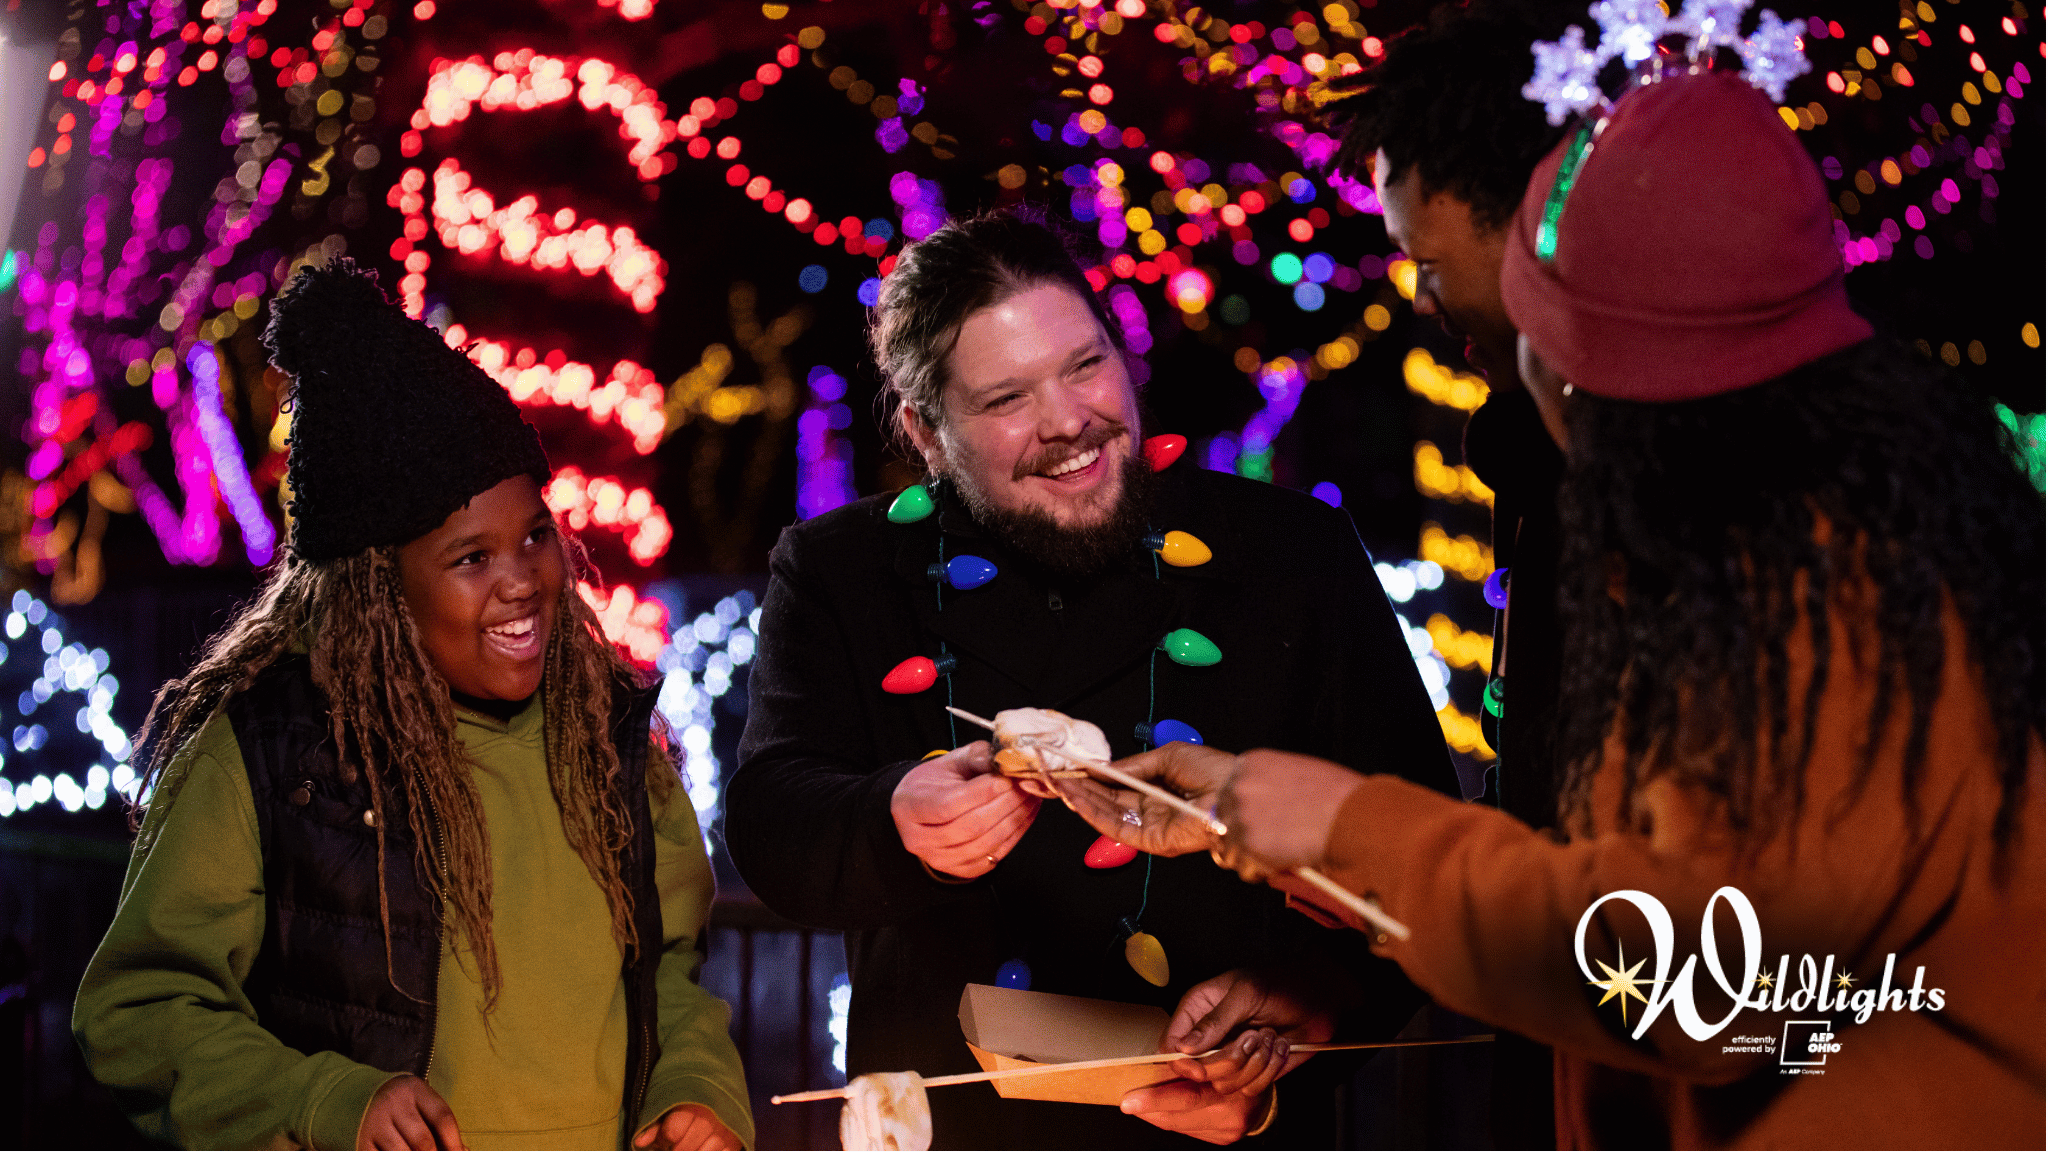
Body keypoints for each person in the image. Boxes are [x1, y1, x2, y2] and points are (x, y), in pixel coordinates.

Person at [1062, 64, 2045, 1149]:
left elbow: (1700, 992)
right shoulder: (1779, 546)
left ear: (1598, 376)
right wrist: (1301, 850)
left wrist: (1345, 827)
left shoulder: (1828, 592)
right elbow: (1765, 979)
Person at [724, 208, 1457, 1147]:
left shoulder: (1292, 552)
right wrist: (890, 817)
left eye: (1086, 363)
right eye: (1005, 400)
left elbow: (1417, 847)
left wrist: (1312, 996)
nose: (1070, 422)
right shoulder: (840, 569)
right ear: (927, 431)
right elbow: (773, 818)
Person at [73, 261, 752, 1151]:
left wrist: (695, 1087)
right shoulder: (274, 754)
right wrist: (320, 1102)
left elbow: (671, 969)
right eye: (471, 557)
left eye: (535, 534)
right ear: (377, 590)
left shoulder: (606, 733)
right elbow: (141, 1008)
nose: (522, 581)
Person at [1327, 8, 1574, 1139]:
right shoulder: (1541, 462)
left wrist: (1350, 829)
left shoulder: (1684, 505)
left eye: (1428, 262)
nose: (1424, 301)